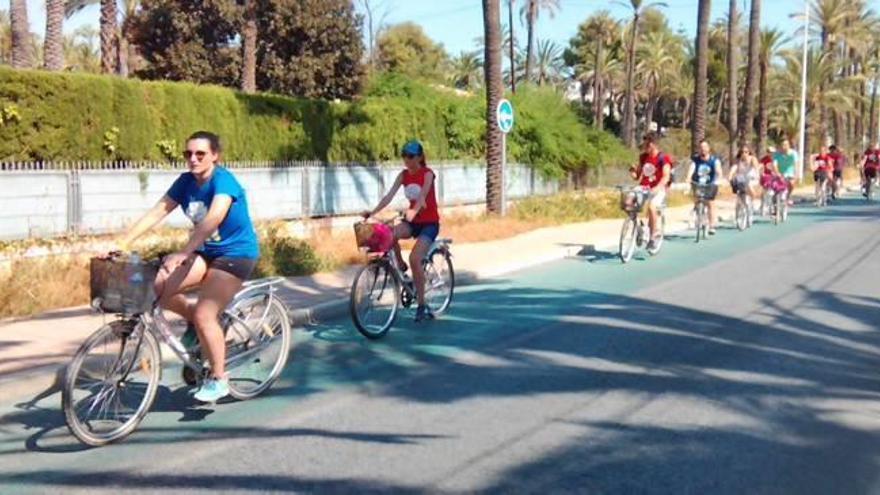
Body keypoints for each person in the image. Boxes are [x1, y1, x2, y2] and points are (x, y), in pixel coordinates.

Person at [113, 131, 260, 403]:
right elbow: (158, 211)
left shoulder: (223, 181)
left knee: (207, 314)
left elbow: (213, 218)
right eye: (188, 154)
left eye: (200, 154)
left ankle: (218, 378)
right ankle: (193, 320)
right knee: (157, 285)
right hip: (205, 251)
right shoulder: (185, 182)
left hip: (236, 254)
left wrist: (183, 251)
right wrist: (121, 242)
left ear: (215, 156)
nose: (193, 159)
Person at [363, 140, 440, 323]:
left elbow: (423, 196)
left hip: (429, 223)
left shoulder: (427, 174)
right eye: (404, 155)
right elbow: (389, 196)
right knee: (388, 232)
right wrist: (372, 212)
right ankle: (401, 266)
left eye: (411, 156)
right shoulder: (403, 175)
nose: (407, 159)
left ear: (420, 157)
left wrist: (414, 210)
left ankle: (421, 304)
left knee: (416, 258)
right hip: (412, 221)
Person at [629, 133, 673, 249]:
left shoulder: (663, 158)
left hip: (658, 188)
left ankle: (653, 236)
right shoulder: (643, 157)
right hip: (644, 187)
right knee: (628, 202)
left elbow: (666, 176)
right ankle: (638, 227)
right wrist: (632, 171)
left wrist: (658, 187)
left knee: (651, 207)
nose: (644, 147)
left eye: (646, 144)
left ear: (652, 144)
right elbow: (637, 176)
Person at [686, 140, 723, 235]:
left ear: (708, 148)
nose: (703, 150)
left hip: (710, 184)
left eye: (705, 147)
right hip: (698, 184)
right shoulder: (695, 160)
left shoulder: (714, 160)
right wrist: (688, 178)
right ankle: (698, 215)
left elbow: (719, 171)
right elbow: (691, 169)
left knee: (710, 203)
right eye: (701, 148)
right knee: (697, 200)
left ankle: (711, 225)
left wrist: (718, 179)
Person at [773, 138, 799, 204]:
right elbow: (775, 165)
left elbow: (796, 164)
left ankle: (788, 196)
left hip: (790, 173)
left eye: (786, 145)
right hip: (780, 173)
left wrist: (796, 174)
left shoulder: (793, 153)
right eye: (783, 145)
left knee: (791, 183)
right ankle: (775, 205)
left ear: (789, 145)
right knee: (775, 187)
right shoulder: (776, 154)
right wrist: (777, 173)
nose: (784, 147)